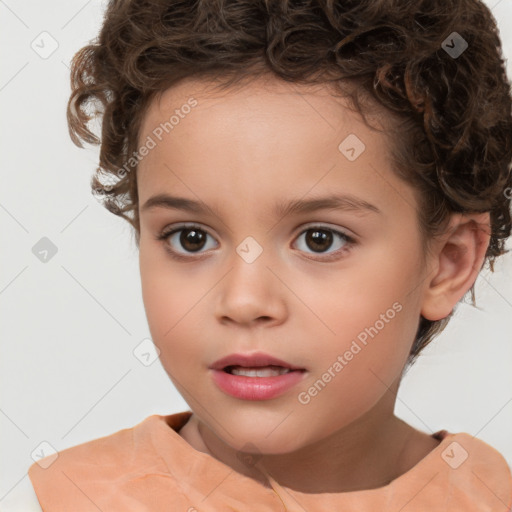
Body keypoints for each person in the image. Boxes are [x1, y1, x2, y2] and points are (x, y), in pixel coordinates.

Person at [23, 0, 512, 510]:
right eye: (191, 238)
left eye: (319, 240)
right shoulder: (73, 499)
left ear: (448, 263)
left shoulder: (488, 497)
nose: (244, 300)